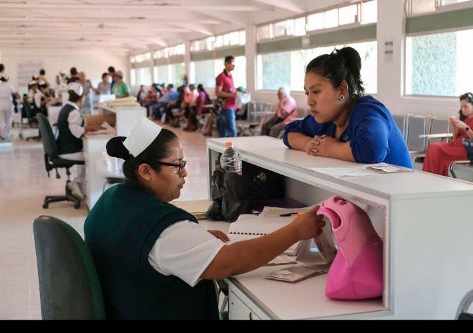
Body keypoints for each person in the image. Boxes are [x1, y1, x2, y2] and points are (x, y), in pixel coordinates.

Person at [83, 117, 325, 320]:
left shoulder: (111, 199)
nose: (185, 172)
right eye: (177, 166)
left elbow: (136, 246)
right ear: (146, 171)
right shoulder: (164, 228)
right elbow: (229, 263)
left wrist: (192, 243)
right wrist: (295, 231)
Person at [283, 47, 412, 168]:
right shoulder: (327, 120)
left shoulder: (368, 112)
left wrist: (330, 148)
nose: (309, 102)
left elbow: (373, 149)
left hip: (400, 189)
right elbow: (289, 132)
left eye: (316, 92)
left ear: (342, 90)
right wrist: (308, 144)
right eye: (307, 93)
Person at [56, 82, 104, 199]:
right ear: (81, 98)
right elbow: (77, 132)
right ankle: (78, 183)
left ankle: (78, 183)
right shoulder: (73, 112)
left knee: (89, 155)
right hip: (69, 151)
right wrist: (92, 128)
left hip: (64, 147)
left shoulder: (66, 108)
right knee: (94, 157)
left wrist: (90, 128)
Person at [422, 92, 473, 176]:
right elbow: (455, 139)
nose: (463, 109)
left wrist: (465, 127)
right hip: (455, 145)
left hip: (468, 149)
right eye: (461, 107)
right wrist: (455, 129)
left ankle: (432, 177)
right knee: (433, 148)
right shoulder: (464, 118)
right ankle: (431, 177)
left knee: (434, 148)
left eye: (466, 106)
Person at [215, 55, 238, 137]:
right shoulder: (221, 77)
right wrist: (232, 95)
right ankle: (231, 148)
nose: (234, 65)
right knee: (232, 131)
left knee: (227, 131)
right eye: (232, 63)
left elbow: (229, 89)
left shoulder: (230, 76)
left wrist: (237, 91)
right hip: (226, 107)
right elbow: (218, 92)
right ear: (226, 64)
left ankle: (227, 149)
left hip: (232, 106)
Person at [0, 74, 19, 140]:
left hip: (0, 104)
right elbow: (16, 94)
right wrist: (18, 96)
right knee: (9, 119)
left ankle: (3, 135)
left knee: (1, 120)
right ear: (7, 79)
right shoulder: (10, 85)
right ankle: (7, 133)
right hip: (8, 103)